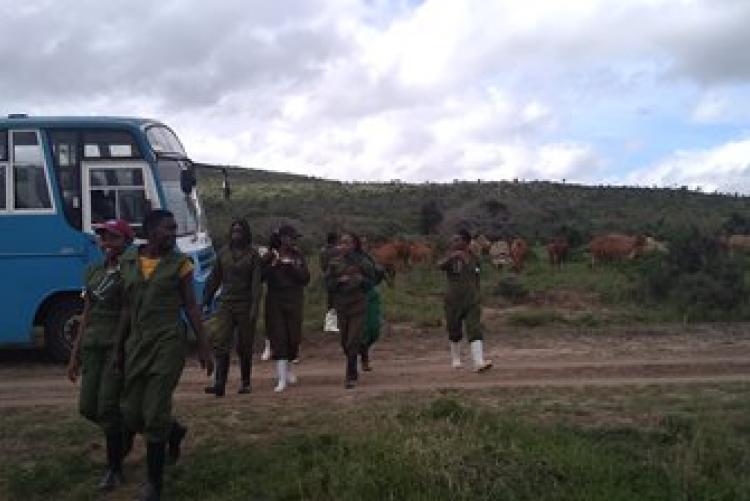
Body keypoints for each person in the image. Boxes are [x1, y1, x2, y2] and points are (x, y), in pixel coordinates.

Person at [114, 209, 213, 501]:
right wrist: (118, 348)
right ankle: (174, 432)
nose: (172, 234)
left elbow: (191, 307)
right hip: (137, 344)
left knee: (154, 411)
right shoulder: (128, 261)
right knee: (132, 413)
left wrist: (204, 345)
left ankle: (154, 484)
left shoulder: (180, 264)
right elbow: (126, 309)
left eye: (174, 229)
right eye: (167, 229)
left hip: (168, 343)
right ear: (150, 230)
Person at [67, 219, 133, 492]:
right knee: (87, 407)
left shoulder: (129, 272)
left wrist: (119, 348)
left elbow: (128, 312)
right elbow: (87, 313)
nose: (107, 243)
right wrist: (75, 353)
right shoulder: (93, 272)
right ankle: (125, 430)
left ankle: (114, 469)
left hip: (116, 345)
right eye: (103, 238)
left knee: (106, 407)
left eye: (113, 238)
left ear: (126, 243)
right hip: (93, 345)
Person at [203, 219, 262, 396]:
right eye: (234, 230)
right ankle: (220, 383)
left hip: (245, 304)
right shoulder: (222, 254)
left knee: (244, 345)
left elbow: (256, 285)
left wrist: (254, 308)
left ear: (246, 234)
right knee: (221, 342)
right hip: (226, 303)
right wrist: (206, 300)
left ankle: (245, 382)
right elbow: (214, 279)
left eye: (240, 231)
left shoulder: (253, 255)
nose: (236, 234)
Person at [262, 225, 310, 393]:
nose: (294, 241)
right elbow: (261, 276)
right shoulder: (270, 255)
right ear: (282, 238)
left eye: (295, 238)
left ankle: (289, 370)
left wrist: (292, 268)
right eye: (291, 237)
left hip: (294, 300)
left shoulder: (298, 256)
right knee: (279, 337)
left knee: (293, 337)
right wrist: (273, 265)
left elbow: (305, 278)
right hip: (275, 301)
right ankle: (281, 378)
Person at [326, 233, 376, 389]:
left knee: (353, 340)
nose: (344, 246)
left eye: (348, 243)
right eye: (342, 243)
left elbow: (372, 282)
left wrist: (362, 280)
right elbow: (328, 284)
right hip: (341, 305)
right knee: (345, 342)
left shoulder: (363, 262)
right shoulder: (334, 263)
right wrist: (339, 281)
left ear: (354, 245)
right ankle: (355, 361)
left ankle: (351, 375)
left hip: (358, 305)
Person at [438, 229, 492, 372]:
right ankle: (456, 359)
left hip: (472, 300)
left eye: (458, 240)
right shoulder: (451, 257)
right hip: (453, 300)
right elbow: (439, 266)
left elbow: (477, 278)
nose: (454, 242)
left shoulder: (475, 258)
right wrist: (452, 257)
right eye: (454, 240)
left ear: (466, 242)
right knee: (454, 329)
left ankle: (479, 362)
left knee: (474, 329)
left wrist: (478, 294)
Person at [359, 236, 385, 372]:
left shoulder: (369, 259)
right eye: (361, 244)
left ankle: (364, 354)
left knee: (374, 330)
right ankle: (361, 359)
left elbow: (378, 273)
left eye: (366, 244)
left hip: (371, 295)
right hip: (356, 297)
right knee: (361, 330)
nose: (364, 246)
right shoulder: (350, 260)